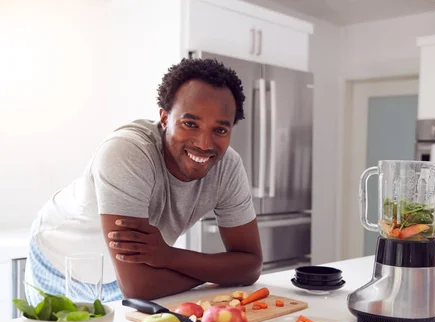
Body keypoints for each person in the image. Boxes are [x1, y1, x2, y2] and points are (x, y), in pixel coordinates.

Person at [24, 58, 263, 305]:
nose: (204, 144)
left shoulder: (228, 167)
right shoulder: (127, 152)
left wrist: (169, 257)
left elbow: (251, 266)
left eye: (220, 130)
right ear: (164, 118)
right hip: (61, 265)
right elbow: (138, 285)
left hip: (144, 275)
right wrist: (219, 273)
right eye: (190, 124)